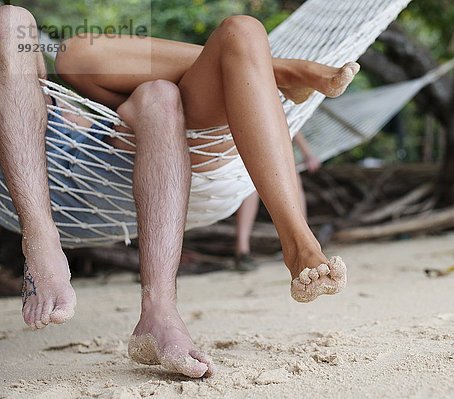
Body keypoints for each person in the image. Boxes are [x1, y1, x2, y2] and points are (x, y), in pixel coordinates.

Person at [0, 5, 358, 378]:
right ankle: (280, 70)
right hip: (86, 166)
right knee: (17, 23)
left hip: (143, 143)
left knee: (233, 35)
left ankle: (295, 244)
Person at [234, 131, 322, 271]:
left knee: (288, 176)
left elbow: (287, 119)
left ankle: (303, 241)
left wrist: (307, 154)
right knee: (251, 184)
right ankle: (242, 250)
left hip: (265, 141)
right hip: (243, 143)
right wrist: (307, 153)